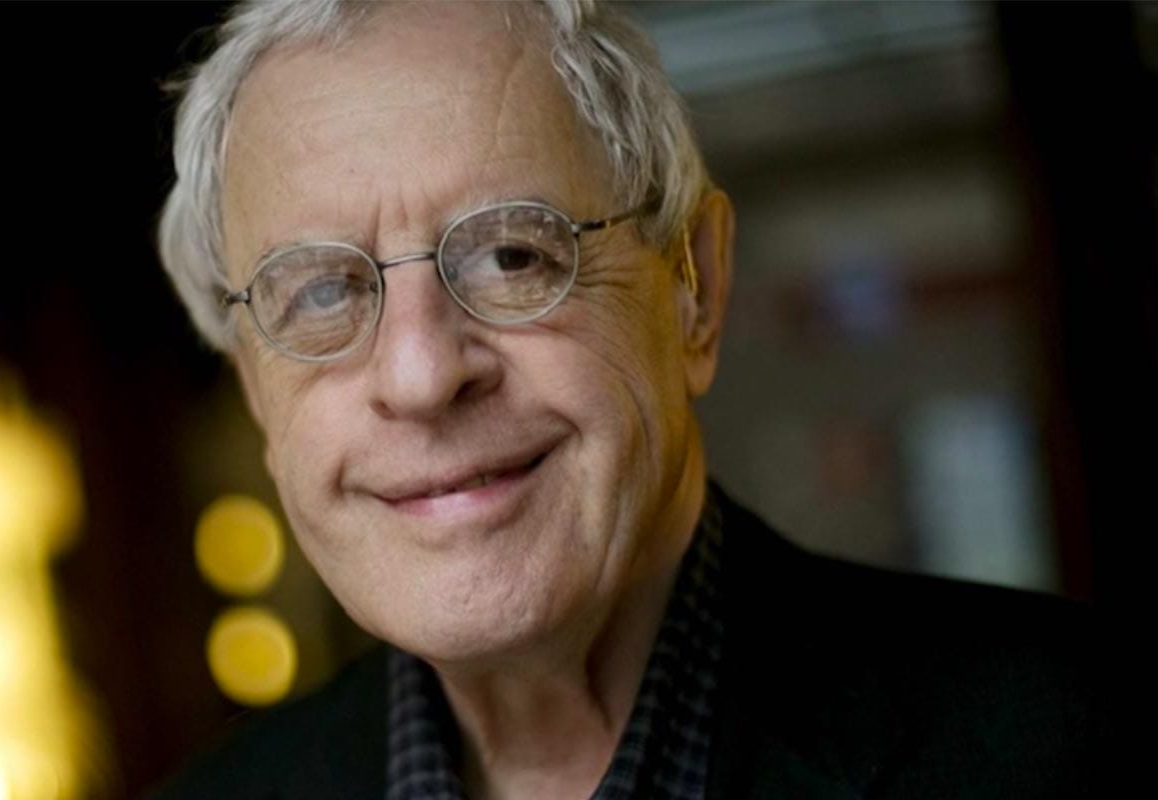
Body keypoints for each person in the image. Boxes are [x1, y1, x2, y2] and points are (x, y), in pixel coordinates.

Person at [154, 1, 1107, 797]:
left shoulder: (1082, 743)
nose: (420, 375)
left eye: (511, 255)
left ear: (694, 285)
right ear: (255, 393)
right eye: (321, 293)